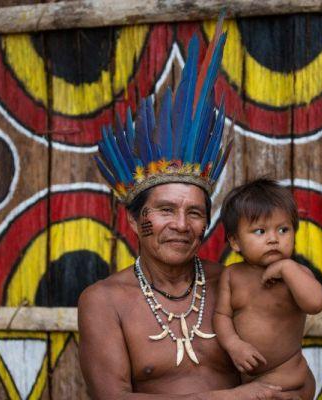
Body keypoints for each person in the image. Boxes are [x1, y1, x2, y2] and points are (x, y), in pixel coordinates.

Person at [78, 16, 299, 399]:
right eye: (165, 210)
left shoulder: (237, 283)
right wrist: (230, 398)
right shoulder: (104, 301)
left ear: (207, 224)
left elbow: (284, 372)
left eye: (195, 213)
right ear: (134, 218)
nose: (181, 224)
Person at [214, 179, 322, 399]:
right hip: (248, 380)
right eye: (260, 232)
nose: (273, 239)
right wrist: (233, 344)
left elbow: (316, 304)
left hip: (288, 378)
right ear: (236, 242)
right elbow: (222, 315)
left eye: (283, 229)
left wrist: (287, 268)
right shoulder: (231, 275)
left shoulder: (296, 274)